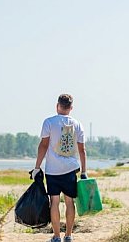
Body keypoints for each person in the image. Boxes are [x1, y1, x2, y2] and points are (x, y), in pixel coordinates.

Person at [33, 93, 87, 242]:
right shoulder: (78, 124)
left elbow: (43, 145)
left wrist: (37, 167)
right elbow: (82, 150)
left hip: (52, 170)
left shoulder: (49, 122)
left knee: (54, 202)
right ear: (71, 108)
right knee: (69, 202)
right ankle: (68, 236)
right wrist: (84, 172)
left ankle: (56, 237)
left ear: (57, 106)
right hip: (70, 170)